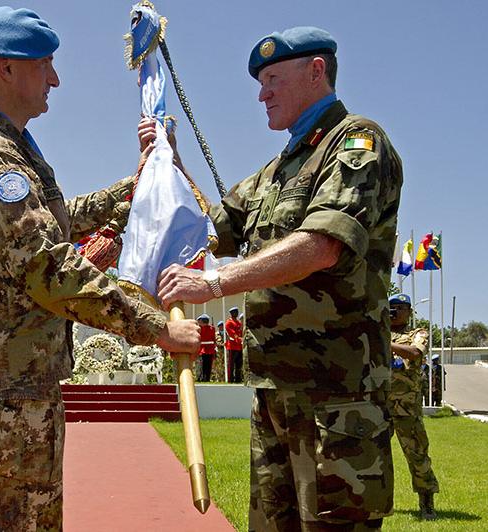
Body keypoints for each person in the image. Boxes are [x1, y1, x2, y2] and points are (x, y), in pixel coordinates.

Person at [0, 7, 201, 530]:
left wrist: (137, 186)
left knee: (0, 513)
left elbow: (54, 221)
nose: (54, 79)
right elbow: (48, 267)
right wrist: (155, 328)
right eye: (45, 64)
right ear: (7, 68)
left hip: (13, 367)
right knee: (27, 519)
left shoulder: (5, 147)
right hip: (11, 375)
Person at [151, 26, 401, 530]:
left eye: (272, 79)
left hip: (336, 398)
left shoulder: (357, 142)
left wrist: (214, 284)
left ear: (316, 72)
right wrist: (167, 162)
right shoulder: (276, 171)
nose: (261, 94)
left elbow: (323, 244)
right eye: (259, 83)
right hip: (275, 393)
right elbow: (210, 229)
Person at [388, 293, 439, 520]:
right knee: (374, 457)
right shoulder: (378, 331)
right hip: (378, 407)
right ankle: (378, 504)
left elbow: (416, 353)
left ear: (409, 311)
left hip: (406, 408)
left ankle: (427, 503)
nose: (396, 311)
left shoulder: (417, 334)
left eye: (401, 307)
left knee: (418, 456)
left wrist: (385, 343)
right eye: (392, 307)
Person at [224, 307, 244, 383]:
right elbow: (232, 333)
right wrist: (239, 339)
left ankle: (238, 379)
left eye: (237, 312)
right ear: (231, 313)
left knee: (239, 363)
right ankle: (230, 379)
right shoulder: (229, 322)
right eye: (235, 312)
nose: (236, 313)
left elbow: (240, 332)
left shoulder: (238, 322)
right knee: (231, 364)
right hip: (232, 345)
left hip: (239, 346)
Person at [197, 314, 216, 382]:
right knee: (207, 365)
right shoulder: (212, 328)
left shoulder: (200, 328)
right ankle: (206, 378)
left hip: (204, 349)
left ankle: (204, 377)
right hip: (208, 349)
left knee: (204, 365)